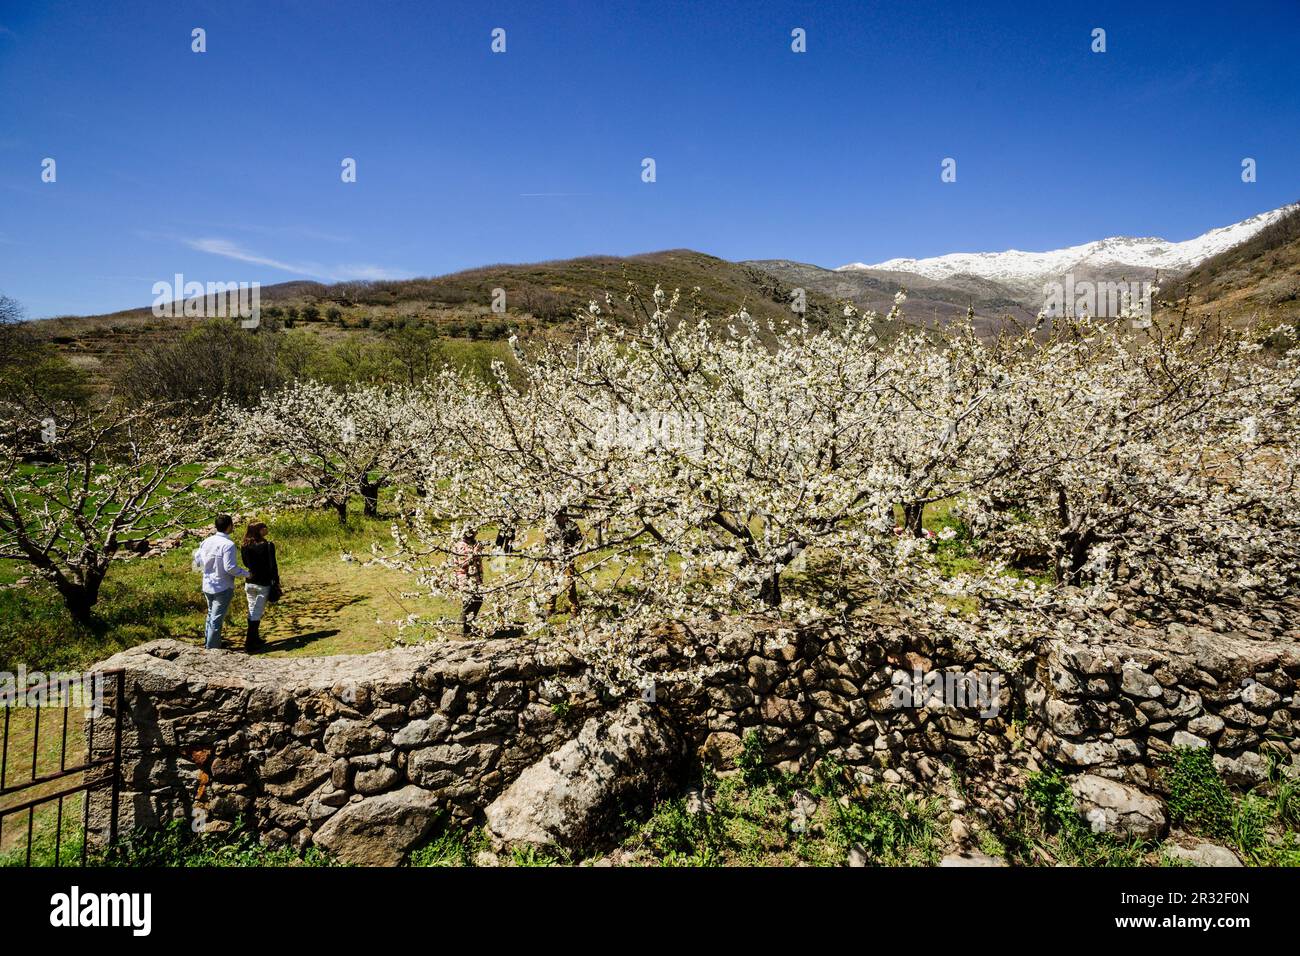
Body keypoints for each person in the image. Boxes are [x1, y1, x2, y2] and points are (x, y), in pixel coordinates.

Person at [195, 515, 249, 649]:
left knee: (210, 615)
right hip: (223, 585)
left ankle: (209, 642)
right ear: (229, 526)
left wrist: (207, 571)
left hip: (208, 584)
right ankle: (213, 648)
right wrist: (247, 574)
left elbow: (197, 562)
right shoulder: (228, 545)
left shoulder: (206, 541)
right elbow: (230, 567)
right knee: (216, 618)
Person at [240, 521, 280, 652]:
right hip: (263, 582)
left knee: (252, 609)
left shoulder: (245, 545)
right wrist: (276, 581)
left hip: (250, 581)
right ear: (259, 530)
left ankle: (255, 638)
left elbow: (246, 563)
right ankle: (250, 642)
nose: (266, 529)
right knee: (256, 612)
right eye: (264, 527)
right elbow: (272, 565)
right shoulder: (267, 545)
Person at [545, 507, 583, 616]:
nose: (556, 518)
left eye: (558, 515)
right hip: (552, 559)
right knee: (551, 584)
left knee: (569, 585)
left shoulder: (572, 526)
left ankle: (574, 609)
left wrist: (571, 551)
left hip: (567, 559)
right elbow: (546, 542)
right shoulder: (550, 526)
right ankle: (550, 608)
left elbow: (579, 542)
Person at [452, 525, 484, 636]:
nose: (476, 534)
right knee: (469, 603)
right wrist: (475, 553)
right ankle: (465, 630)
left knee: (478, 600)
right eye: (474, 532)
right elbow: (463, 565)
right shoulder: (461, 546)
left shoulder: (471, 544)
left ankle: (470, 626)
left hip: (475, 578)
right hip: (466, 579)